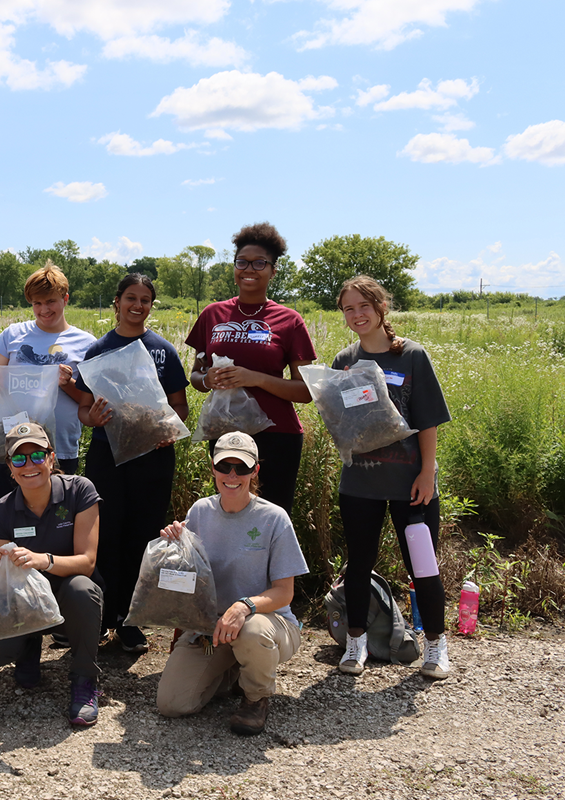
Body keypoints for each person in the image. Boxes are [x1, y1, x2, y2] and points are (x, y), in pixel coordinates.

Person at [333, 275, 453, 679]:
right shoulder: (343, 362)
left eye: (363, 306)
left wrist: (426, 471)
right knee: (359, 564)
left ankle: (435, 646)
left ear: (381, 307)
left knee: (422, 564)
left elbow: (428, 422)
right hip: (360, 485)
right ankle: (355, 644)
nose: (357, 315)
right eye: (348, 308)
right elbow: (342, 421)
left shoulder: (412, 357)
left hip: (410, 486)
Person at [156, 432, 309, 737]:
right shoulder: (199, 511)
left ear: (255, 472)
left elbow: (284, 592)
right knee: (172, 704)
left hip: (267, 622)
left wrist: (244, 605)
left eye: (242, 467)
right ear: (212, 468)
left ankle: (256, 698)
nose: (232, 475)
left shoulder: (274, 519)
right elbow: (188, 577)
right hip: (212, 627)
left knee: (251, 631)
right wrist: (173, 548)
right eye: (225, 465)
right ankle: (232, 670)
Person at [75, 273, 188, 654]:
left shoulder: (163, 351)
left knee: (143, 536)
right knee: (106, 534)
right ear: (117, 302)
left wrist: (167, 429)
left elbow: (180, 407)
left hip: (153, 457)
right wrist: (96, 418)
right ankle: (102, 616)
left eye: (145, 300)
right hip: (108, 456)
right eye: (130, 298)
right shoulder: (98, 350)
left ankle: (130, 621)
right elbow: (83, 410)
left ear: (151, 306)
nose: (137, 306)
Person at [0, 422, 105, 727]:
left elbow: (86, 562)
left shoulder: (79, 491)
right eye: (19, 459)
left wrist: (41, 560)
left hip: (69, 593)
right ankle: (29, 647)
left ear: (51, 457)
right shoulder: (2, 511)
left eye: (37, 456)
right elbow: (3, 584)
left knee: (82, 590)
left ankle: (85, 678)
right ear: (9, 467)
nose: (29, 465)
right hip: (27, 598)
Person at [185, 223, 316, 516]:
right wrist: (206, 378)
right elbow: (195, 375)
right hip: (226, 433)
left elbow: (305, 391)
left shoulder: (289, 320)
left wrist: (253, 378)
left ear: (273, 270)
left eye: (260, 263)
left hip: (277, 434)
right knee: (230, 510)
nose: (249, 269)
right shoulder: (212, 314)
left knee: (273, 515)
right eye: (242, 262)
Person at [0, 261, 96, 511]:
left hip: (59, 446)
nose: (44, 309)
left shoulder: (87, 344)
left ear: (65, 299)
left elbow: (90, 403)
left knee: (55, 515)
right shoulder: (12, 335)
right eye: (37, 303)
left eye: (50, 301)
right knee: (2, 506)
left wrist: (66, 383)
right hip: (10, 442)